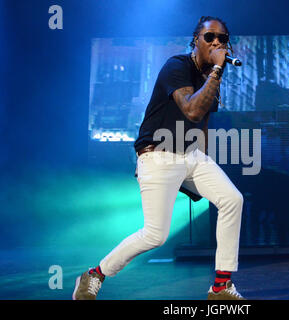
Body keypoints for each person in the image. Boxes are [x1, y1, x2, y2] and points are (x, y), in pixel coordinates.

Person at [72, 16, 245, 300]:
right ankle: (95, 274)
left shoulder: (209, 79)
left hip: (191, 154)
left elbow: (200, 122)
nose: (217, 42)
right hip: (158, 155)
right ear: (195, 41)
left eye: (223, 39)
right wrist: (217, 70)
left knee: (232, 199)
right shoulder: (176, 66)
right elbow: (190, 110)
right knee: (155, 235)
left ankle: (221, 286)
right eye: (210, 37)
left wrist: (200, 171)